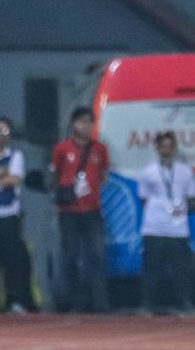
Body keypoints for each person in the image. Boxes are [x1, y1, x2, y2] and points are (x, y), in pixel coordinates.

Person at [49, 107, 110, 312]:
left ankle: (99, 303)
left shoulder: (99, 149)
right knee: (70, 255)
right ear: (73, 123)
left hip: (92, 210)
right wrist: (64, 191)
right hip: (69, 211)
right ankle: (72, 302)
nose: (85, 126)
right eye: (81, 122)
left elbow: (103, 175)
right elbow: (54, 175)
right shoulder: (62, 148)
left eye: (89, 122)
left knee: (97, 255)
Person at [138, 131, 195, 314]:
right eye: (163, 146)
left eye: (169, 146)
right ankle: (147, 304)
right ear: (157, 148)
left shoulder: (185, 170)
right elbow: (143, 197)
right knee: (151, 268)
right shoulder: (147, 171)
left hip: (178, 227)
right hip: (154, 226)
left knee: (181, 269)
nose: (166, 150)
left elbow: (192, 196)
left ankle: (184, 303)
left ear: (174, 148)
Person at [0, 117, 38, 313]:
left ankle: (14, 299)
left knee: (11, 258)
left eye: (4, 130)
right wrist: (2, 174)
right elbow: (5, 176)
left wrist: (5, 177)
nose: (0, 134)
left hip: (7, 214)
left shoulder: (15, 155)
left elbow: (14, 179)